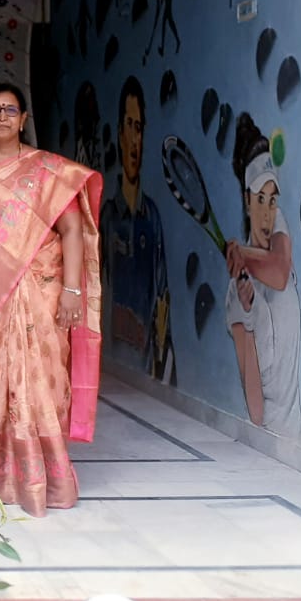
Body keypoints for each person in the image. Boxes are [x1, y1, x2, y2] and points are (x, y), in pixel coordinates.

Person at [0, 84, 102, 516]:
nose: (3, 117)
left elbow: (71, 231)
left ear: (24, 118)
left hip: (42, 292)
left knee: (41, 381)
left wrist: (72, 290)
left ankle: (45, 480)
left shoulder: (48, 171)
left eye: (11, 110)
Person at [224, 113, 301, 446]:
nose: (267, 210)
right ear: (247, 201)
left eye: (273, 200)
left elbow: (281, 273)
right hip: (273, 445)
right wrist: (249, 316)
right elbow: (256, 411)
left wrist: (243, 253)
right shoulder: (237, 295)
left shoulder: (276, 237)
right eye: (259, 198)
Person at [100, 76, 174, 383]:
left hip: (145, 367)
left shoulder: (152, 217)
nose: (134, 139)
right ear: (119, 133)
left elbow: (163, 298)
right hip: (111, 363)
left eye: (139, 128)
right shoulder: (108, 216)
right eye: (129, 126)